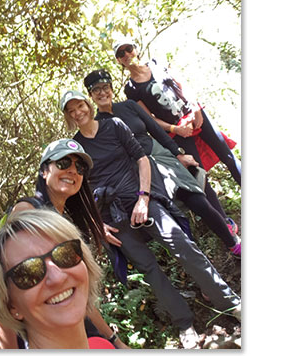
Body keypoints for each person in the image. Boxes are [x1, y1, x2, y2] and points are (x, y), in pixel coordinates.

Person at [62, 91, 241, 349]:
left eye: (80, 105)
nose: (78, 112)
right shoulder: (76, 148)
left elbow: (142, 159)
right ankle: (184, 323)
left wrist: (144, 198)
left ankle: (230, 302)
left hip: (141, 198)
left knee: (181, 245)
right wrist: (98, 226)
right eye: (71, 111)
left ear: (87, 105)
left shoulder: (113, 125)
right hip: (113, 217)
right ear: (68, 117)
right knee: (149, 269)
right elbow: (78, 193)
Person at [0, 138, 125, 348]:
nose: (72, 171)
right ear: (44, 171)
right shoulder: (27, 212)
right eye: (63, 163)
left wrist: (114, 341)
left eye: (79, 167)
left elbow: (74, 288)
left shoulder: (59, 218)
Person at [84, 69, 240, 258]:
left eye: (105, 87)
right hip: (140, 171)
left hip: (161, 156)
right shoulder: (98, 125)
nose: (102, 93)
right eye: (96, 90)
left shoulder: (129, 106)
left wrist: (177, 154)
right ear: (91, 95)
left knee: (197, 200)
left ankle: (233, 244)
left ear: (111, 88)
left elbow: (155, 129)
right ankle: (201, 266)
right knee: (172, 221)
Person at [0, 205, 114, 350]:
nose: (58, 277)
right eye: (29, 272)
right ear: (11, 306)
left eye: (66, 254)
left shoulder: (102, 346)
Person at [115, 38, 241, 187]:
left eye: (129, 48)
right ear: (119, 60)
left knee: (227, 155)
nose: (127, 54)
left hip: (194, 114)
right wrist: (175, 129)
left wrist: (196, 108)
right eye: (121, 53)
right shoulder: (131, 88)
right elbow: (149, 118)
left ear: (135, 49)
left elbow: (182, 84)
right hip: (177, 131)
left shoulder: (156, 64)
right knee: (198, 172)